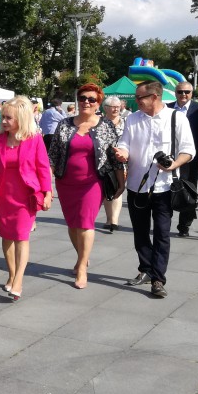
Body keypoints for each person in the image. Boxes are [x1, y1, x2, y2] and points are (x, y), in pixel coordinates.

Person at [114, 80, 196, 299]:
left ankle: (158, 278)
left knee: (162, 233)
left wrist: (174, 165)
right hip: (136, 184)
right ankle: (145, 269)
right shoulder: (132, 119)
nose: (136, 101)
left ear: (155, 97)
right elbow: (125, 143)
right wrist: (122, 152)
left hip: (165, 186)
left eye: (140, 97)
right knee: (140, 232)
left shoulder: (176, 118)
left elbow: (189, 150)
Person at [48, 84, 124, 288]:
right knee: (72, 224)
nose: (86, 102)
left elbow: (114, 156)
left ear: (99, 103)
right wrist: (47, 184)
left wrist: (121, 182)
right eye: (82, 98)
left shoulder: (106, 125)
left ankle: (81, 268)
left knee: (85, 223)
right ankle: (82, 255)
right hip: (66, 182)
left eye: (91, 99)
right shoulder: (64, 124)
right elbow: (53, 156)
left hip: (93, 182)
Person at [0, 96, 52, 301]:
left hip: (26, 196)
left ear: (20, 118)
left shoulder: (34, 139)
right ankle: (11, 274)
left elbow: (42, 167)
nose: (3, 121)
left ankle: (18, 279)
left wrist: (47, 193)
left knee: (21, 237)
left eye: (8, 118)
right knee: (7, 236)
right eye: (2, 117)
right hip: (3, 196)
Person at [167, 82, 198, 238]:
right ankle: (165, 221)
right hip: (170, 157)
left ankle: (185, 224)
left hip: (191, 158)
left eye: (187, 92)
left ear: (192, 93)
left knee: (188, 191)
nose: (183, 95)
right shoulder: (168, 107)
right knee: (168, 190)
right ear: (175, 92)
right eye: (180, 91)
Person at [101, 96, 127, 233]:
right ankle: (109, 218)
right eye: (113, 106)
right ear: (105, 108)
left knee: (119, 186)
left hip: (122, 160)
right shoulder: (100, 123)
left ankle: (114, 220)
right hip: (105, 160)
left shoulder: (126, 122)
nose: (116, 108)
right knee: (108, 188)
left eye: (118, 106)